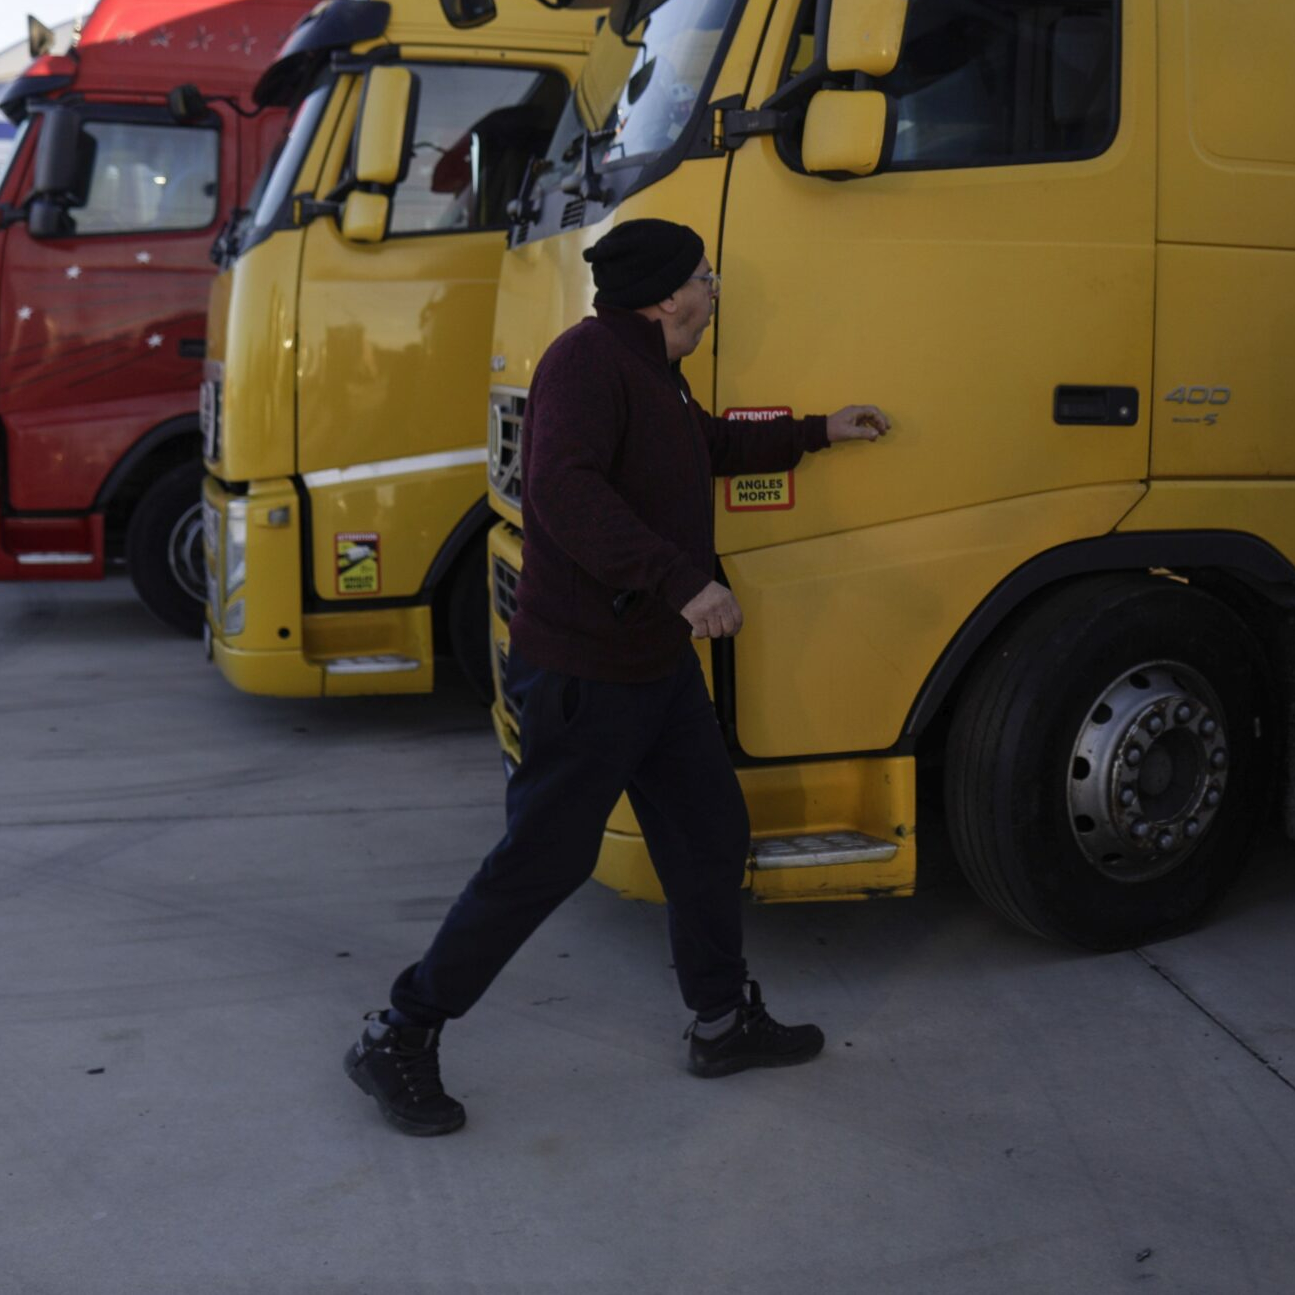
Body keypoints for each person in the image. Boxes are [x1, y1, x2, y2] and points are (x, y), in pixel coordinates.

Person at [345, 217, 890, 1137]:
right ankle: (399, 1033)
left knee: (709, 832)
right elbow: (566, 492)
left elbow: (703, 445)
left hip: (652, 667)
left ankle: (721, 1021)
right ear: (669, 295)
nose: (715, 292)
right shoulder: (587, 362)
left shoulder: (652, 370)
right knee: (542, 862)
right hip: (586, 673)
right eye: (707, 279)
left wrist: (817, 432)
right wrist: (682, 582)